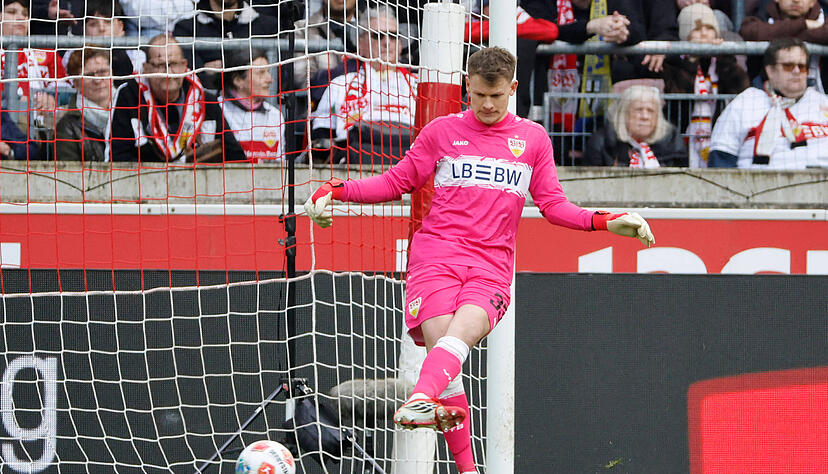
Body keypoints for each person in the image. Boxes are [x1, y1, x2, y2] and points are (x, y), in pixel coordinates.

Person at [303, 47, 655, 474]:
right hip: (435, 256)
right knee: (447, 361)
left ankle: (421, 399)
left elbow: (553, 205)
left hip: (491, 266)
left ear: (513, 88)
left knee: (459, 338)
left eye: (496, 96)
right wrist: (336, 190)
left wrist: (604, 220)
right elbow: (396, 182)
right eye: (479, 95)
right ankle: (468, 468)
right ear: (467, 86)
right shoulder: (440, 131)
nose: (487, 105)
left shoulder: (533, 139)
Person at [107, 34, 244, 163]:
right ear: (146, 68)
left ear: (184, 66)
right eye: (160, 65)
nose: (168, 72)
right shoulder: (128, 97)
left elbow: (236, 157)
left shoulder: (205, 101)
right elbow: (116, 158)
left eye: (173, 64)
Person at [310, 6, 417, 165]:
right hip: (352, 170)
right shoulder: (340, 85)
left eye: (393, 36)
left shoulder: (419, 85)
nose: (387, 43)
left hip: (409, 168)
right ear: (361, 44)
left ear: (400, 45)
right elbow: (321, 145)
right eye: (378, 36)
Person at [709, 37, 828, 169]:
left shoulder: (823, 102)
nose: (796, 71)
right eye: (788, 66)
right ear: (770, 71)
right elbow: (721, 160)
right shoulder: (744, 103)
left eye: (802, 67)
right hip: (760, 180)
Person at [662, 3, 750, 167]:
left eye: (709, 28)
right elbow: (679, 99)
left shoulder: (724, 60)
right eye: (697, 29)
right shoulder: (675, 64)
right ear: (686, 35)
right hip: (683, 139)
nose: (704, 34)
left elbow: (740, 88)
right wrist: (691, 63)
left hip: (719, 137)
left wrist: (723, 57)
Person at [173, 0, 281, 90]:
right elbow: (192, 77)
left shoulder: (269, 26)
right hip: (207, 104)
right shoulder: (185, 29)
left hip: (261, 104)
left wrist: (216, 69)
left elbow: (279, 76)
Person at [584, 85, 687, 167]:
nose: (645, 116)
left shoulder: (671, 140)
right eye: (638, 110)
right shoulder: (602, 141)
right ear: (624, 114)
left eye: (651, 111)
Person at [739, 0, 828, 90]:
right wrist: (803, 24)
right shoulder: (763, 14)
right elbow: (749, 31)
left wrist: (775, 32)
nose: (796, 1)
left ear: (813, 2)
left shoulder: (823, 17)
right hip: (766, 91)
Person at [61, 0, 145, 88]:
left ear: (121, 27)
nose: (101, 28)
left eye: (108, 22)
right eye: (93, 24)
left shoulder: (137, 57)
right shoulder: (72, 56)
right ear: (84, 30)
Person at [220, 50, 285, 163]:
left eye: (268, 72)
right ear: (238, 80)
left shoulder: (275, 115)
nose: (270, 79)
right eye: (261, 73)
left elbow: (280, 163)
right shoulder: (219, 109)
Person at [294, 0, 362, 104]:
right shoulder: (301, 29)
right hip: (320, 110)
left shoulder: (376, 26)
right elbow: (304, 83)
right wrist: (352, 66)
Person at [55, 48, 115, 162]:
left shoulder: (130, 111)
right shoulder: (67, 127)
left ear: (112, 73)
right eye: (89, 75)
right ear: (76, 83)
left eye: (102, 72)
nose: (97, 80)